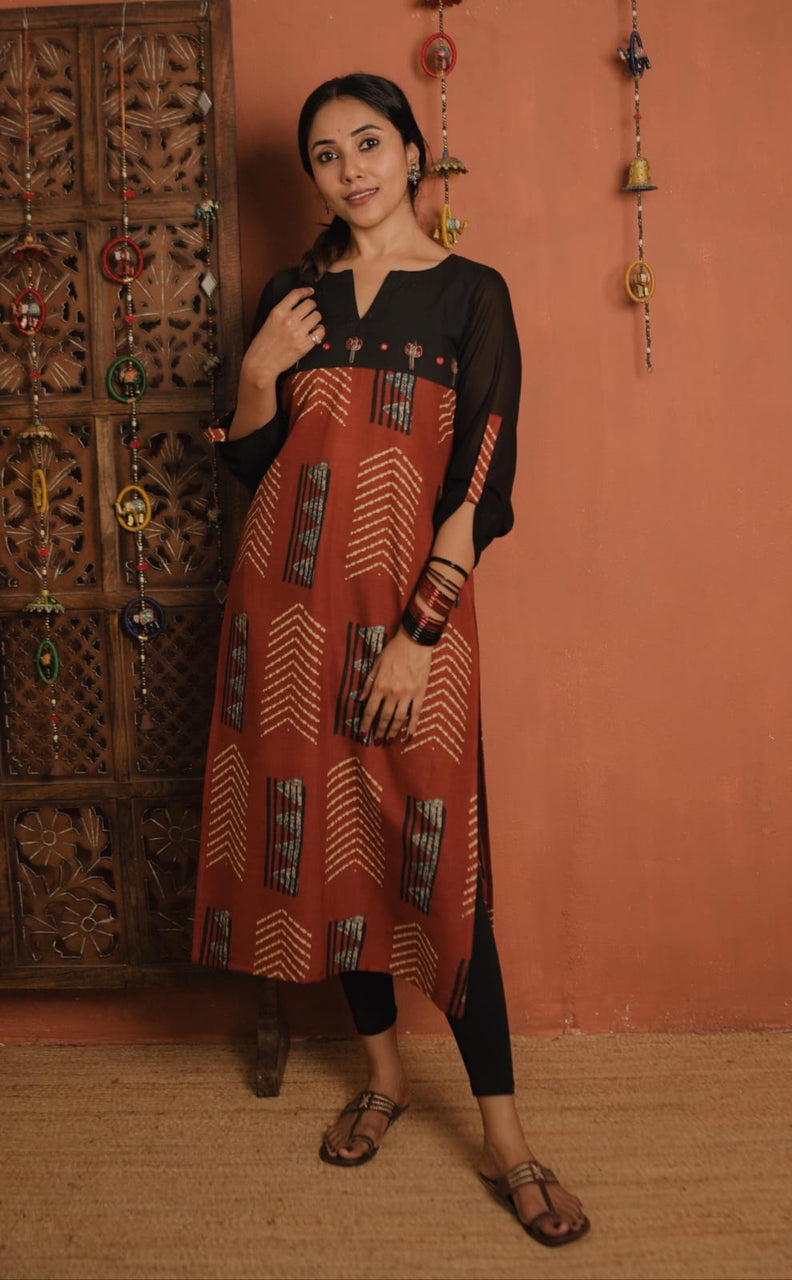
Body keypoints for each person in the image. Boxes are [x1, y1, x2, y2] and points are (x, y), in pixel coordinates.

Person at [192, 72, 589, 1248]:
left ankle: (506, 1138)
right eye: (326, 155)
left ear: (413, 153)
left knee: (436, 859)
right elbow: (250, 462)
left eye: (368, 143)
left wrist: (419, 635)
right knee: (332, 851)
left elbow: (479, 484)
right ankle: (383, 1076)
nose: (349, 169)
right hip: (285, 617)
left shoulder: (472, 294)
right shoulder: (294, 296)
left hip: (410, 617)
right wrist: (259, 364)